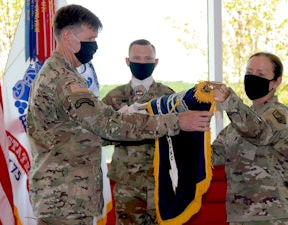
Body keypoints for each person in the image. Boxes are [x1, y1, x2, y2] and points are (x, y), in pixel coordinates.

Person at [26, 4, 213, 225]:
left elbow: (91, 132)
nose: (94, 46)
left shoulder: (56, 73)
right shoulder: (65, 80)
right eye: (90, 39)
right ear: (68, 37)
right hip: (65, 197)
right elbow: (107, 125)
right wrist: (176, 121)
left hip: (64, 193)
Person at [212, 52, 288, 225]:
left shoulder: (280, 115)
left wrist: (229, 101)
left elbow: (259, 132)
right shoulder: (235, 126)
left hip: (273, 215)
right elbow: (213, 156)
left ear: (276, 82)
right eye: (249, 72)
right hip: (239, 215)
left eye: (260, 74)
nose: (253, 78)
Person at [102, 39, 174, 224]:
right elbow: (98, 133)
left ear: (156, 62)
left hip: (160, 180)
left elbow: (181, 133)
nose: (142, 63)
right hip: (127, 182)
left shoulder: (168, 96)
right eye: (137, 58)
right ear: (127, 61)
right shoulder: (114, 97)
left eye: (147, 58)